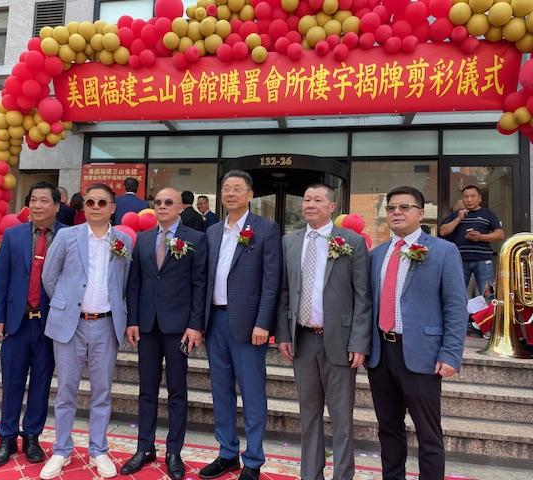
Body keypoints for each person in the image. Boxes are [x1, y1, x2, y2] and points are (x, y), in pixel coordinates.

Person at [368, 186, 467, 480]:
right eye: (391, 208)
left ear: (421, 214)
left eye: (404, 207)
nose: (396, 212)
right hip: (381, 353)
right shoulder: (377, 254)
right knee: (388, 427)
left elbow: (455, 306)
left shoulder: (443, 251)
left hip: (423, 354)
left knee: (428, 431)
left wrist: (451, 354)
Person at [275, 183, 371, 480]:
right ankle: (310, 474)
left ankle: (343, 475)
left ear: (332, 206)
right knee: (309, 414)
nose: (310, 204)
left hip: (340, 340)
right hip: (302, 339)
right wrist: (284, 334)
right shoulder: (289, 241)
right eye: (306, 199)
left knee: (341, 418)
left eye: (318, 200)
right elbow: (284, 292)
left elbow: (363, 296)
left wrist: (359, 341)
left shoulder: (351, 241)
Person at [39, 184, 132, 479]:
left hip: (106, 324)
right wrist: (65, 304)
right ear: (84, 207)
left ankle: (98, 450)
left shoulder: (123, 241)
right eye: (90, 202)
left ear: (112, 208)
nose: (95, 207)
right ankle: (61, 450)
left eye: (102, 202)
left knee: (102, 391)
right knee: (66, 391)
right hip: (72, 324)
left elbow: (125, 283)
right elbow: (49, 276)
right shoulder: (67, 236)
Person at [199, 170, 282, 480]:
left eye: (237, 189)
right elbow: (204, 279)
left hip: (249, 326)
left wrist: (263, 323)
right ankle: (227, 453)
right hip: (215, 321)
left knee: (252, 393)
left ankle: (254, 459)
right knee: (220, 391)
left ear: (250, 195)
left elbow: (272, 281)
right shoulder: (212, 231)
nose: (230, 193)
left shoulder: (265, 229)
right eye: (226, 189)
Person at [121, 187, 207, 480]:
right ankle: (144, 447)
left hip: (178, 328)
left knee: (177, 391)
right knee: (146, 389)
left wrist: (195, 325)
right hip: (147, 326)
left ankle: (173, 451)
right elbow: (135, 283)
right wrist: (132, 320)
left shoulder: (195, 239)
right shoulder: (143, 239)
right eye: (157, 202)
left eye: (168, 202)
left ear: (180, 207)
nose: (162, 206)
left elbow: (199, 284)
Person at [0, 182, 65, 468]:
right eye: (33, 200)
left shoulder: (69, 236)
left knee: (42, 383)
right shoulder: (13, 235)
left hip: (49, 324)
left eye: (44, 200)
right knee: (12, 382)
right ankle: (6, 437)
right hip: (16, 323)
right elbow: (1, 279)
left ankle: (32, 436)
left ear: (57, 205)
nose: (37, 205)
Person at [439, 185, 504, 296]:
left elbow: (500, 235)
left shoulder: (488, 214)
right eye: (465, 197)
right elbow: (443, 231)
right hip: (460, 260)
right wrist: (458, 218)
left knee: (488, 294)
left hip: (483, 260)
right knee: (457, 293)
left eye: (473, 196)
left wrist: (480, 237)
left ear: (480, 198)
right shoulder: (456, 214)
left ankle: (487, 308)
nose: (469, 199)